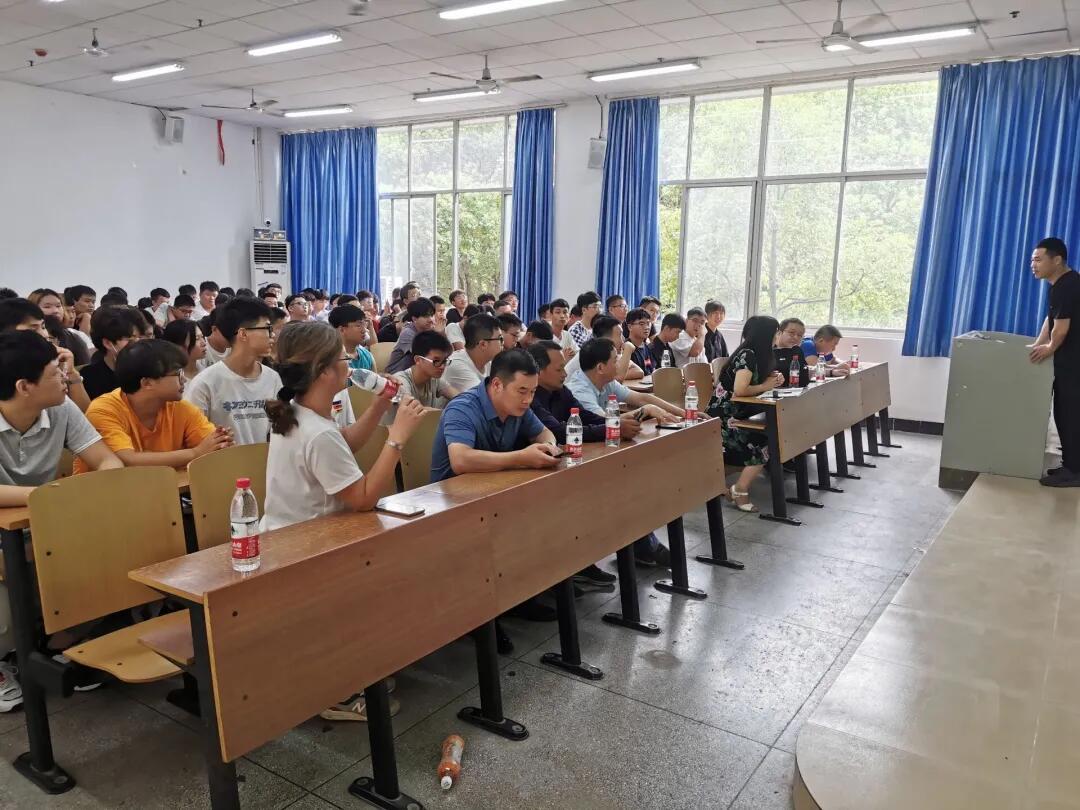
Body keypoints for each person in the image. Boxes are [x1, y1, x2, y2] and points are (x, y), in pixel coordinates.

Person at [262, 321, 425, 721]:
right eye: (342, 358)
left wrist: (380, 406)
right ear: (322, 371)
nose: (349, 363)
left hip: (295, 539)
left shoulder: (303, 414)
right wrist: (398, 438)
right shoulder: (315, 432)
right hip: (304, 551)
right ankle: (334, 691)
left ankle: (351, 667)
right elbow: (364, 498)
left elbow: (344, 442)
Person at [0, 330, 124, 709]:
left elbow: (107, 460)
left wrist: (83, 492)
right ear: (24, 386)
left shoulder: (61, 407)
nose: (67, 377)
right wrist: (48, 496)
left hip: (45, 519)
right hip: (25, 520)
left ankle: (58, 643)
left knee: (112, 553)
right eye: (57, 372)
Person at [526, 340, 636, 587]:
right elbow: (559, 430)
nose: (565, 374)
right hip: (537, 474)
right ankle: (556, 576)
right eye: (559, 369)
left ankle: (581, 563)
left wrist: (613, 425)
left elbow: (582, 417)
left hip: (562, 464)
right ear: (539, 371)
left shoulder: (561, 391)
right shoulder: (530, 397)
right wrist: (610, 429)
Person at [565, 338, 682, 567]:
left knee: (637, 482)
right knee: (627, 488)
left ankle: (642, 545)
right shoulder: (579, 389)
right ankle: (642, 546)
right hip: (583, 460)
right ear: (601, 367)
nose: (620, 363)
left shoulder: (606, 382)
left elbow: (643, 398)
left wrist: (684, 412)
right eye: (615, 359)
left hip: (603, 452)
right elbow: (605, 423)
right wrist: (644, 412)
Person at [75, 340, 233, 473]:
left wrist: (220, 442)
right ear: (147, 383)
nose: (184, 380)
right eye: (177, 374)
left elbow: (213, 449)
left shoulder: (180, 407)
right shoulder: (104, 410)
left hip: (165, 491)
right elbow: (127, 460)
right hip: (104, 495)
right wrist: (195, 453)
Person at [706, 316, 784, 512]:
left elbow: (754, 382)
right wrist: (766, 385)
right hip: (725, 417)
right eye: (776, 332)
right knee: (763, 443)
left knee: (769, 438)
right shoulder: (747, 354)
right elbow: (740, 390)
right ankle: (740, 490)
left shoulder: (760, 354)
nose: (777, 336)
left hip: (740, 414)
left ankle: (719, 484)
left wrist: (773, 379)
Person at [183, 297, 279, 445]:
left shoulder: (272, 378)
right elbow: (191, 437)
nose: (272, 335)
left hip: (263, 458)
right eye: (267, 328)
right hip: (222, 459)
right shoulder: (206, 382)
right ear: (243, 334)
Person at [1030, 237, 1080, 486]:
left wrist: (1049, 348)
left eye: (1038, 260)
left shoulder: (1066, 286)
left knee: (1070, 415)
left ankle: (1075, 472)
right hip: (1069, 362)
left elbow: (1061, 329)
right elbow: (1050, 321)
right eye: (1032, 260)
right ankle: (1071, 465)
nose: (1033, 265)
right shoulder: (1063, 284)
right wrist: (1038, 344)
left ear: (1057, 260)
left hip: (1074, 363)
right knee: (1064, 413)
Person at [0, 299, 92, 411]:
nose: (44, 335)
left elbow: (85, 415)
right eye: (33, 330)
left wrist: (71, 373)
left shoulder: (51, 366)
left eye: (43, 327)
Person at [382, 330, 458, 423]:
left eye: (445, 361)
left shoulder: (434, 379)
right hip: (392, 431)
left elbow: (459, 396)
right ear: (418, 360)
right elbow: (413, 410)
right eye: (436, 361)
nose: (442, 366)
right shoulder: (400, 381)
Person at [82, 305, 148, 399]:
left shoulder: (151, 371)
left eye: (141, 338)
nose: (138, 344)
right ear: (108, 343)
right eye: (131, 339)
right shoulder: (88, 377)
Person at [563, 315, 642, 382]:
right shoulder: (593, 352)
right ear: (606, 339)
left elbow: (639, 371)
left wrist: (617, 374)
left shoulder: (610, 352)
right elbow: (618, 378)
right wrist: (628, 351)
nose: (623, 340)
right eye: (620, 335)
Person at [443, 313, 504, 394]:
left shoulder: (488, 362)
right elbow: (482, 397)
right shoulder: (457, 364)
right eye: (500, 339)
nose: (503, 343)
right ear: (483, 344)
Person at [386, 297, 435, 373]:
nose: (431, 319)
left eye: (432, 315)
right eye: (426, 316)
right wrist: (438, 334)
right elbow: (425, 356)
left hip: (415, 373)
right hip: (396, 374)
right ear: (414, 319)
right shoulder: (408, 333)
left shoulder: (428, 330)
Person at [329, 305, 375, 373]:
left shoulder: (367, 355)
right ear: (342, 330)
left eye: (364, 325)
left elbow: (374, 378)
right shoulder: (330, 359)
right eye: (358, 325)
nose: (364, 330)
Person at [162, 319, 207, 385]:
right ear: (178, 345)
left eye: (202, 337)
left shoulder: (205, 369)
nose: (204, 343)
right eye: (196, 339)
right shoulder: (172, 381)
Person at [774, 318, 809, 387]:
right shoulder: (769, 350)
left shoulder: (797, 350)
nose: (796, 337)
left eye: (800, 335)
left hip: (797, 391)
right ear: (779, 333)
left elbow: (804, 378)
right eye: (791, 333)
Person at [625, 307, 656, 376]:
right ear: (630, 327)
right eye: (641, 324)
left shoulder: (647, 347)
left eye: (648, 323)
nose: (647, 327)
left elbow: (651, 371)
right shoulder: (626, 348)